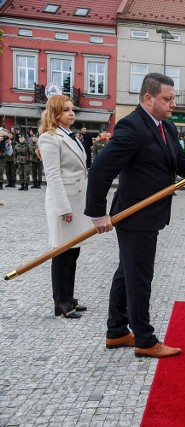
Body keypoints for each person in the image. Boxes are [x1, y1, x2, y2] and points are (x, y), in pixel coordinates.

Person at [85, 73, 185, 358]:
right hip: (134, 216)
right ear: (148, 98)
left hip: (152, 214)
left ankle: (117, 331)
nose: (172, 105)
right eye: (167, 99)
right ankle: (145, 340)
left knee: (127, 273)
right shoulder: (132, 127)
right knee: (140, 276)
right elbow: (100, 171)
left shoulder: (167, 128)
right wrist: (98, 214)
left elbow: (179, 163)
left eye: (173, 99)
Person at [38, 95, 93, 319]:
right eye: (66, 110)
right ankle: (61, 302)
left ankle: (69, 297)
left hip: (77, 201)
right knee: (62, 253)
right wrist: (63, 208)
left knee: (73, 253)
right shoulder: (49, 138)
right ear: (55, 113)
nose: (72, 113)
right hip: (64, 203)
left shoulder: (71, 136)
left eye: (72, 110)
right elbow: (52, 175)